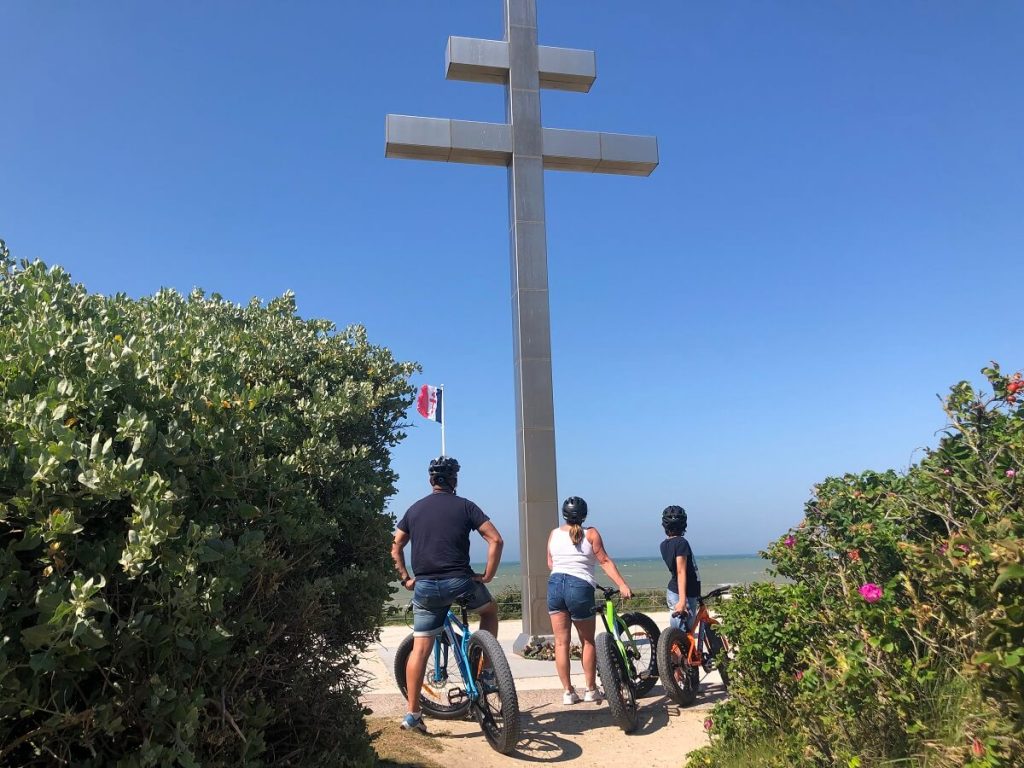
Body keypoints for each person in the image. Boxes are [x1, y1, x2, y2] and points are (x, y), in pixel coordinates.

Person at [391, 456, 504, 734]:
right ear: (454, 480)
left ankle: (413, 715)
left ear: (431, 480)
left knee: (420, 649)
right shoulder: (466, 506)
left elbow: (395, 547)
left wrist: (406, 578)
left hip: (426, 586)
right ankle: (486, 669)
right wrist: (487, 575)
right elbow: (496, 539)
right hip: (461, 583)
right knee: (489, 611)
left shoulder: (414, 510)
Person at [546, 496, 633, 705]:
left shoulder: (554, 534)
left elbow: (551, 563)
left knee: (561, 643)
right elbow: (603, 560)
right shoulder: (591, 533)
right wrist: (622, 584)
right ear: (584, 515)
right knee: (587, 641)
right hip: (580, 587)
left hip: (555, 585)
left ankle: (568, 692)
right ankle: (590, 689)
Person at [660, 505, 701, 631]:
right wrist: (682, 600)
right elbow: (681, 571)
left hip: (676, 591)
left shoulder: (664, 545)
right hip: (684, 594)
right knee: (683, 638)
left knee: (680, 636)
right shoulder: (681, 543)